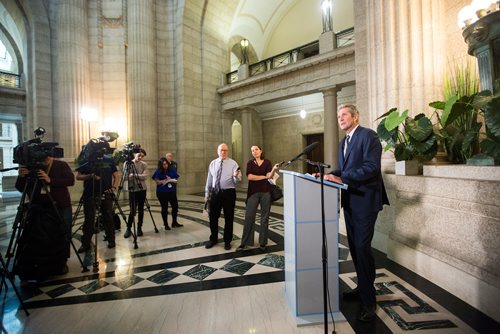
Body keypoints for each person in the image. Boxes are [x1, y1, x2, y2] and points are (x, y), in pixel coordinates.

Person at [322, 103, 389, 322]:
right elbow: (345, 170)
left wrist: (343, 178)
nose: (340, 118)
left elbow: (371, 167)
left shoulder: (368, 136)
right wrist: (330, 175)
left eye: (344, 115)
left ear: (355, 116)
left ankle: (369, 302)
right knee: (354, 248)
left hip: (366, 202)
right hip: (350, 202)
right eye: (338, 115)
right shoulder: (343, 142)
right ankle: (362, 288)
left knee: (362, 247)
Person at [15, 155, 75, 275]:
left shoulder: (61, 165)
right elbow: (20, 188)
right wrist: (21, 177)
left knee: (64, 233)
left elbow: (70, 180)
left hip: (61, 205)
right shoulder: (31, 167)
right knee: (40, 235)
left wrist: (50, 180)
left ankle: (62, 261)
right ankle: (41, 264)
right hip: (39, 207)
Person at [237, 145, 279, 251]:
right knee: (249, 217)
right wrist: (264, 177)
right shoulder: (250, 163)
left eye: (256, 149)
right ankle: (245, 242)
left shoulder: (267, 162)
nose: (254, 152)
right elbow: (250, 177)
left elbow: (270, 175)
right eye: (252, 150)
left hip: (266, 192)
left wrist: (274, 169)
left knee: (264, 218)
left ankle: (263, 243)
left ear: (261, 151)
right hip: (253, 193)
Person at [76, 155, 120, 252]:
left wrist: (114, 188)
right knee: (89, 219)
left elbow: (116, 175)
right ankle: (86, 243)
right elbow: (78, 176)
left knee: (108, 216)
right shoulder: (87, 159)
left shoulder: (109, 160)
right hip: (89, 193)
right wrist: (89, 176)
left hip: (106, 192)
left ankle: (111, 240)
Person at [205, 143, 241, 250]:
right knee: (213, 217)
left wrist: (235, 176)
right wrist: (207, 194)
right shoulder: (213, 163)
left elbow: (238, 181)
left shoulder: (233, 163)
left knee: (229, 218)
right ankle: (213, 239)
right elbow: (209, 180)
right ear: (218, 151)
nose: (223, 152)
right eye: (221, 150)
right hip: (215, 193)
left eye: (225, 150)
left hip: (229, 193)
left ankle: (227, 241)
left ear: (228, 151)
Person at [152, 157, 182, 230]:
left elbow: (176, 180)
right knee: (164, 208)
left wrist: (170, 180)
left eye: (166, 164)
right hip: (162, 192)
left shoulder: (171, 170)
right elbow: (157, 182)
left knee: (175, 207)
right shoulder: (158, 171)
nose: (165, 166)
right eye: (163, 164)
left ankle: (174, 222)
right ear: (160, 165)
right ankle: (166, 224)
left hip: (171, 191)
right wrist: (165, 180)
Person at [124, 148, 148, 238]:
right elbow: (126, 177)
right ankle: (128, 228)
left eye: (142, 156)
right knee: (132, 210)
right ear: (134, 154)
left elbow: (145, 177)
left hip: (142, 189)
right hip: (132, 189)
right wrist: (136, 176)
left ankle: (139, 228)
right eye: (139, 155)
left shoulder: (144, 164)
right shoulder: (128, 163)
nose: (140, 157)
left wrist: (133, 175)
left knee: (141, 209)